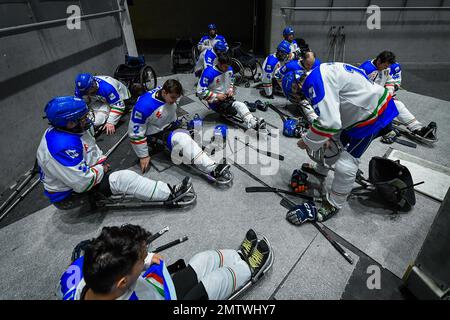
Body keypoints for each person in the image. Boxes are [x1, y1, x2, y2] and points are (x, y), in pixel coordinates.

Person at [281, 64, 399, 225]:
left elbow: (330, 122)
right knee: (330, 143)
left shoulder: (312, 83)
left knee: (346, 163)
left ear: (296, 86)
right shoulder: (321, 71)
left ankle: (334, 204)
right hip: (363, 109)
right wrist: (325, 135)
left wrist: (307, 141)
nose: (301, 100)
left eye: (295, 96)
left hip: (372, 116)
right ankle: (321, 170)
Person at [36, 96, 193, 210]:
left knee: (112, 174)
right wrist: (101, 169)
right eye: (83, 118)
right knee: (123, 179)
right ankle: (170, 194)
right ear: (70, 122)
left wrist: (99, 162)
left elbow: (89, 148)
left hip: (77, 177)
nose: (87, 119)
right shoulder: (62, 147)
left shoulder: (68, 130)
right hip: (69, 195)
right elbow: (82, 183)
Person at [58, 224, 271, 300]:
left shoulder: (79, 271)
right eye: (141, 259)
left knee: (203, 260)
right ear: (122, 282)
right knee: (214, 283)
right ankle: (247, 267)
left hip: (154, 289)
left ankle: (239, 256)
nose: (146, 258)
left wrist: (145, 258)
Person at [128, 79, 232, 182]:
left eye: (176, 98)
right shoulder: (143, 107)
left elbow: (170, 106)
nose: (175, 100)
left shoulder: (168, 93)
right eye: (173, 97)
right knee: (182, 138)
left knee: (195, 125)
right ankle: (211, 168)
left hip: (171, 123)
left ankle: (194, 149)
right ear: (164, 92)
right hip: (156, 132)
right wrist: (143, 156)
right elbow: (135, 133)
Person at [360, 51, 437, 142]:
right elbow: (359, 89)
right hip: (365, 101)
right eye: (385, 66)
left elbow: (389, 81)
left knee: (398, 105)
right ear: (379, 61)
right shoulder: (366, 69)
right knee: (394, 106)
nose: (386, 68)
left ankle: (418, 128)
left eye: (388, 66)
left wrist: (389, 94)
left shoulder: (385, 68)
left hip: (378, 97)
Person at [197, 52, 265, 130]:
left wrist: (230, 90)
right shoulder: (208, 73)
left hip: (227, 97)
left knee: (238, 106)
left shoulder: (229, 69)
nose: (227, 69)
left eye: (228, 66)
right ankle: (254, 124)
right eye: (225, 66)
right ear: (219, 63)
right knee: (239, 106)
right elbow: (200, 91)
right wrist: (217, 96)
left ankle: (253, 122)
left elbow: (231, 81)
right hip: (215, 101)